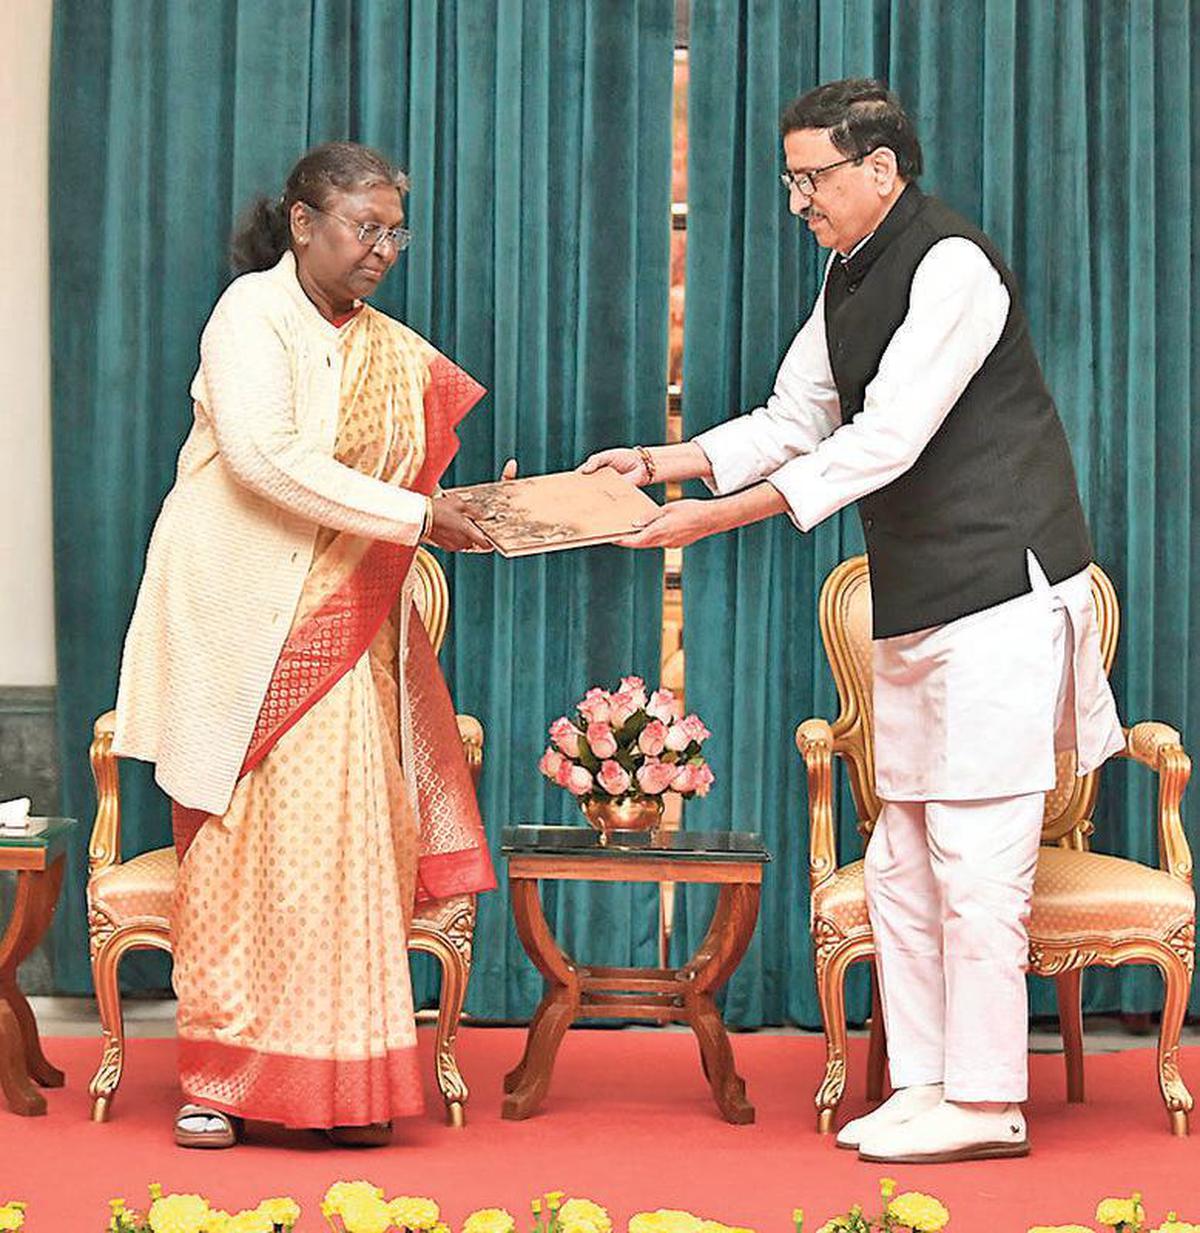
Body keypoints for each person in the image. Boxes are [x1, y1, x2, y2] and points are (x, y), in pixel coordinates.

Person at [582, 79, 1124, 1164]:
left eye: (813, 178)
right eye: (792, 180)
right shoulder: (848, 274)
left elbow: (886, 440)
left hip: (1001, 596)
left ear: (881, 170)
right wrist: (660, 462)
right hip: (924, 599)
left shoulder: (952, 265)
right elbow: (796, 417)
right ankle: (927, 1084)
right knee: (903, 859)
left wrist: (712, 520)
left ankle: (986, 1103)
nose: (799, 201)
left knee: (976, 860)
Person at [113, 141, 504, 1147]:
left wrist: (486, 507)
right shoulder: (252, 313)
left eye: (394, 230)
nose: (383, 248)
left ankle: (344, 1086)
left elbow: (419, 469)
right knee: (244, 850)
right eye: (363, 226)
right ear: (301, 222)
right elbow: (264, 459)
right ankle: (221, 1081)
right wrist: (424, 518)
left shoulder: (387, 345)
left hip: (345, 628)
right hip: (243, 617)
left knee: (347, 851)